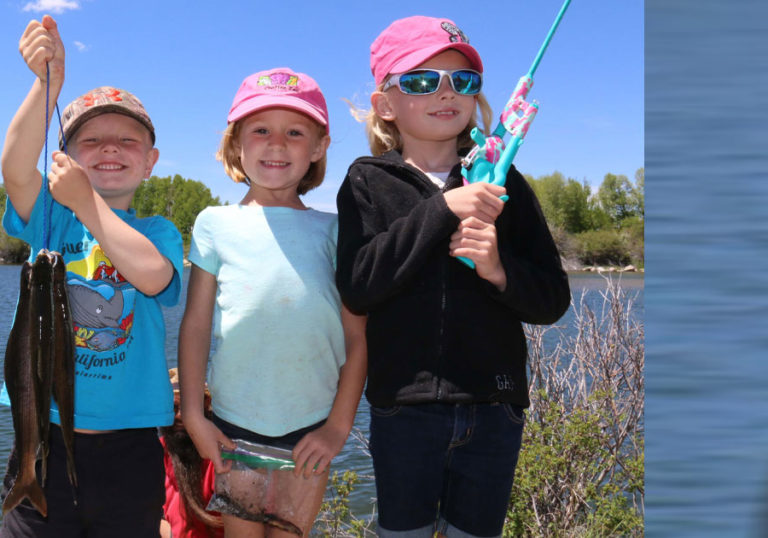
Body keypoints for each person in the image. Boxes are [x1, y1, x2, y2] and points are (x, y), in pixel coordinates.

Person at [335, 15, 571, 538]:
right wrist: (444, 208)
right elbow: (358, 284)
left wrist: (499, 271)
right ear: (385, 104)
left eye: (463, 81)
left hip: (496, 406)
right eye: (421, 81)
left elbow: (553, 302)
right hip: (405, 409)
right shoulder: (365, 181)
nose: (446, 92)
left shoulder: (504, 181)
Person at [0, 14, 184, 537]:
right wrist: (44, 83)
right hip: (43, 435)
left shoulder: (158, 230)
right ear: (65, 158)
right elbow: (14, 167)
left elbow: (152, 278)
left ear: (151, 162)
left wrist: (88, 204)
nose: (109, 148)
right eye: (92, 139)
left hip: (129, 445)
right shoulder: (50, 219)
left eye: (127, 141)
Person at [178, 67, 368, 538]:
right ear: (235, 144)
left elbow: (357, 340)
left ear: (319, 147)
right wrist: (194, 417)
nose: (277, 144)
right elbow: (197, 324)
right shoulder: (213, 223)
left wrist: (337, 428)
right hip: (232, 429)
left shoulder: (338, 231)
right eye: (260, 130)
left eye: (295, 132)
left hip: (310, 433)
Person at [159, 368, 224, 538]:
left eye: (188, 408)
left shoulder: (221, 456)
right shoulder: (157, 451)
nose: (180, 416)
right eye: (173, 408)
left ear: (206, 405)